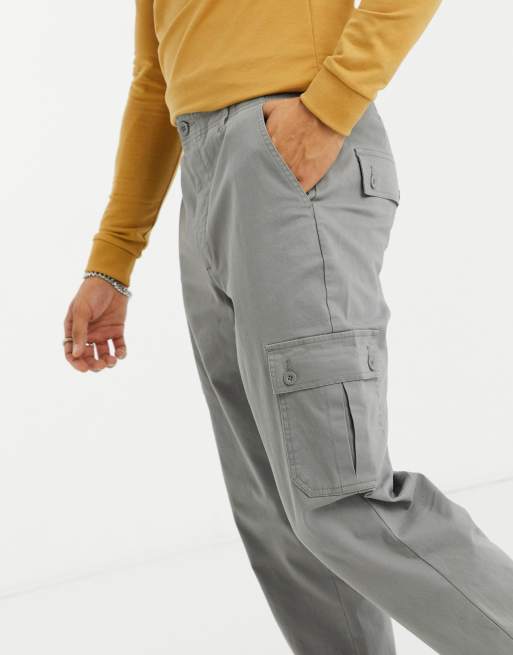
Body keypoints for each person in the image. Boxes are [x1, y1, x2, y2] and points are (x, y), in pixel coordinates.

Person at [63, 1, 513, 653]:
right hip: (205, 171)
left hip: (289, 149)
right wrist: (112, 258)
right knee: (278, 515)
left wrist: (329, 106)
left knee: (337, 497)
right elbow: (154, 77)